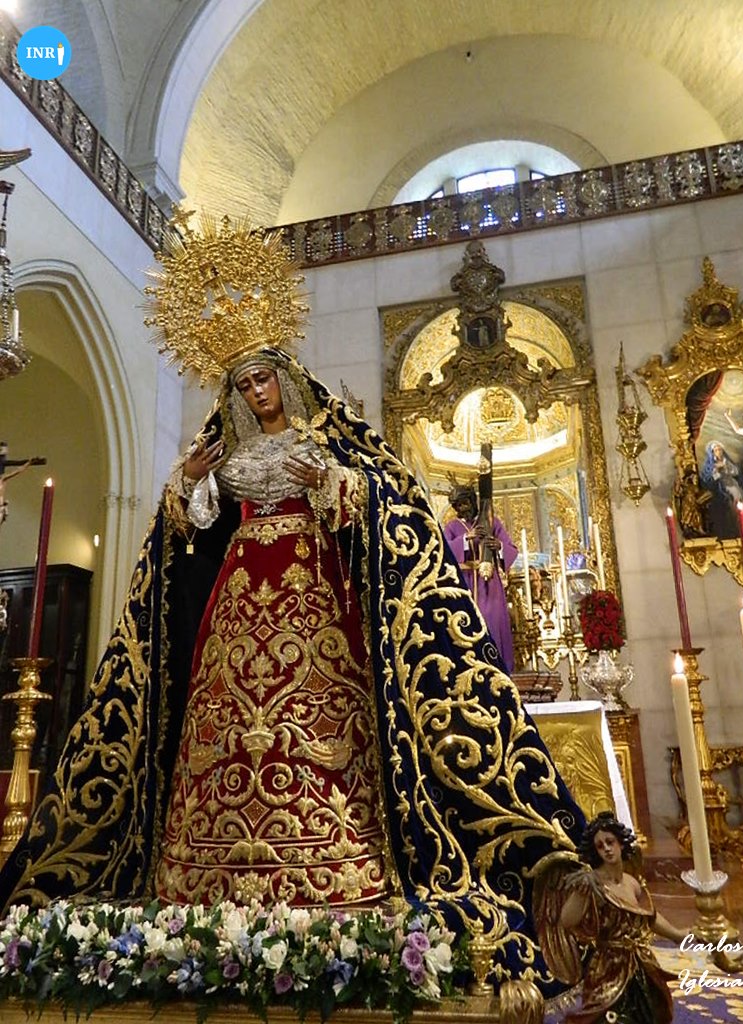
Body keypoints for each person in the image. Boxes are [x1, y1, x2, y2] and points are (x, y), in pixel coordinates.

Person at [0, 219, 585, 995]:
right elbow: (194, 530)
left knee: (319, 717)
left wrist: (332, 484)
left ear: (283, 376)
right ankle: (206, 872)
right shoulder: (229, 453)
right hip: (239, 600)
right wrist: (189, 482)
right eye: (243, 386)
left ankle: (336, 858)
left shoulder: (326, 437)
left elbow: (375, 502)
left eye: (262, 380)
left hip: (311, 603)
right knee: (223, 720)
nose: (255, 393)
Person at [535, 812, 692, 1024]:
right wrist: (581, 893)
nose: (607, 849)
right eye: (600, 846)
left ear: (620, 843)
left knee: (649, 1011)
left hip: (638, 963)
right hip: (608, 967)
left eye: (610, 842)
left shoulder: (631, 882)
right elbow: (566, 920)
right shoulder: (592, 883)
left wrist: (677, 934)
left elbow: (649, 916)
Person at [444, 482, 518, 671]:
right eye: (457, 505)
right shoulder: (452, 526)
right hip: (465, 581)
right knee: (467, 623)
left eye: (465, 503)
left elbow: (511, 548)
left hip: (489, 584)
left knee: (492, 621)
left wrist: (498, 546)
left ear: (473, 501)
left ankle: (498, 667)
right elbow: (444, 550)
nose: (462, 508)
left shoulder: (492, 522)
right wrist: (466, 539)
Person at [700, 440, 743, 536]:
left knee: (738, 496)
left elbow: (735, 472)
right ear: (712, 453)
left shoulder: (726, 461)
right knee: (726, 503)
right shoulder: (710, 465)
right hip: (718, 487)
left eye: (720, 450)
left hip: (730, 483)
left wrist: (726, 468)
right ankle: (731, 524)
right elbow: (708, 478)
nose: (718, 452)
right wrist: (717, 472)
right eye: (716, 450)